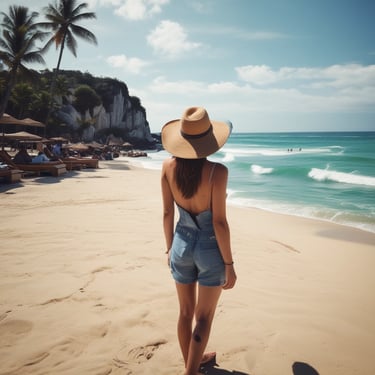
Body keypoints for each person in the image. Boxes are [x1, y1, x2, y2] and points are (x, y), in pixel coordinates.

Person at [161, 107, 237, 375]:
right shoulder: (218, 172)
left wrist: (170, 248)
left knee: (185, 313)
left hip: (180, 244)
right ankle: (190, 372)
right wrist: (229, 263)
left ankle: (192, 361)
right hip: (209, 249)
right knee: (203, 318)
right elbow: (219, 222)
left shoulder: (168, 166)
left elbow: (168, 212)